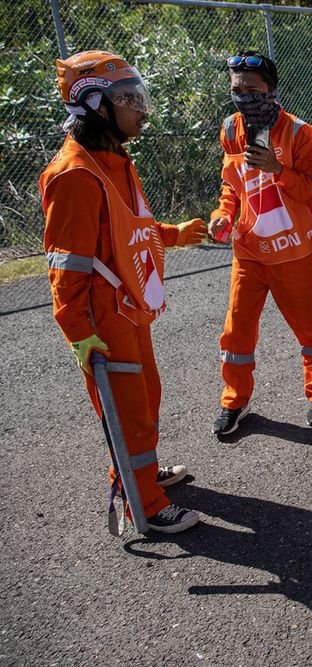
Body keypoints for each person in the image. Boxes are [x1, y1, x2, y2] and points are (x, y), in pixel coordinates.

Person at [41, 50, 206, 533]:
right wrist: (77, 331)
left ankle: (142, 476)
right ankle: (145, 505)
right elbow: (65, 264)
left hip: (128, 308)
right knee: (128, 410)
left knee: (146, 397)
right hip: (102, 318)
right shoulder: (75, 174)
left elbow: (128, 225)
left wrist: (172, 233)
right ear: (94, 103)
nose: (142, 109)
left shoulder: (112, 157)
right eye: (129, 99)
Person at [207, 51, 312, 437]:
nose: (244, 96)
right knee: (236, 332)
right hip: (248, 252)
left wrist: (278, 170)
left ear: (272, 89)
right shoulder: (230, 129)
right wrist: (224, 215)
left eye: (252, 89)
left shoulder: (302, 134)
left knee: (310, 330)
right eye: (236, 89)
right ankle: (235, 401)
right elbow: (232, 185)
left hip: (294, 252)